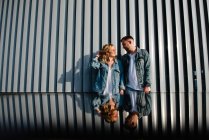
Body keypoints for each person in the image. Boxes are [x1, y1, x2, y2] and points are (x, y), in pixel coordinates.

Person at [120, 35, 152, 130]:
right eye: (127, 121)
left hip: (141, 87)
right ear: (133, 123)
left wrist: (148, 84)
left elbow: (148, 69)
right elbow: (122, 73)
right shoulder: (146, 111)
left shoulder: (143, 53)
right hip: (129, 87)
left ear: (130, 42)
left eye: (124, 44)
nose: (123, 47)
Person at [89, 43, 125, 123]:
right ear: (107, 52)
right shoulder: (118, 104)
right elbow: (93, 65)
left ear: (109, 114)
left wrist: (122, 87)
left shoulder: (118, 62)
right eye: (113, 50)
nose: (115, 51)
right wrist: (97, 56)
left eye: (115, 116)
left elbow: (122, 75)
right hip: (104, 90)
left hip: (111, 90)